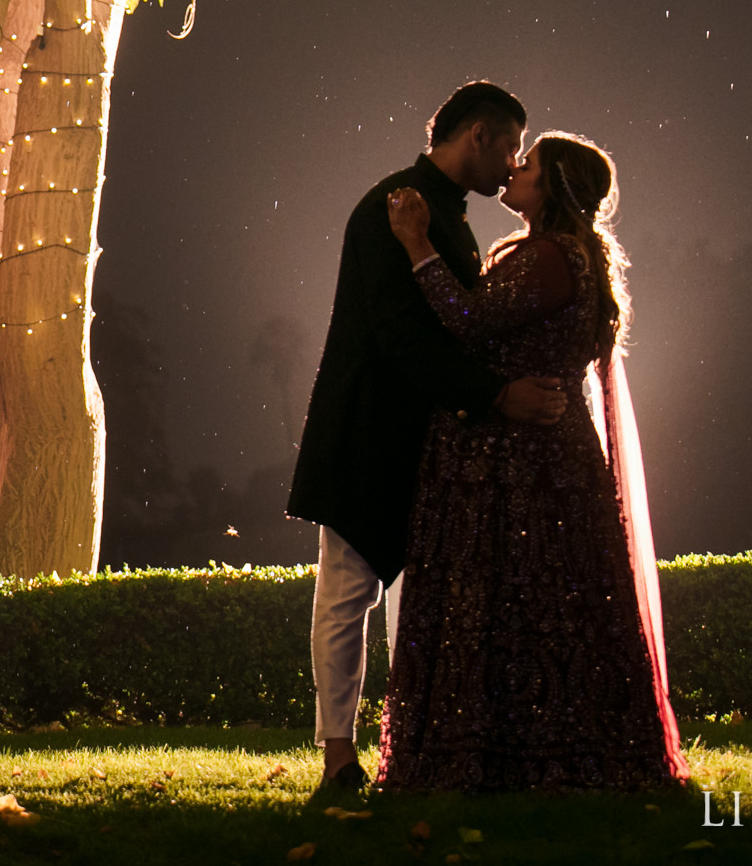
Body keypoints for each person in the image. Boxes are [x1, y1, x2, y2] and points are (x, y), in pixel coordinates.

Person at [375, 131, 689, 791]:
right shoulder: (568, 256)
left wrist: (416, 243)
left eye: (530, 164)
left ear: (551, 189)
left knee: (517, 600)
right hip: (542, 456)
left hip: (521, 463)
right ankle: (538, 750)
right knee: (541, 605)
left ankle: (511, 759)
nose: (513, 170)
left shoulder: (553, 256)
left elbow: (468, 319)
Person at [287, 82, 569, 802]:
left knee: (415, 601)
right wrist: (497, 394)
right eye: (508, 145)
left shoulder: (442, 212)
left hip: (432, 436)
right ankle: (339, 758)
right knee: (348, 591)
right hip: (371, 429)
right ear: (476, 134)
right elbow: (400, 334)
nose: (511, 165)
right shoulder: (396, 207)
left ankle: (407, 752)